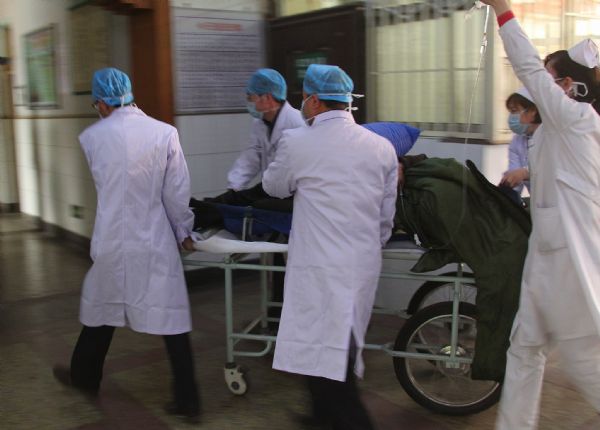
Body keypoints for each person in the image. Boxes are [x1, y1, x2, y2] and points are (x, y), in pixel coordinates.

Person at [52, 68, 200, 423]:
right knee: (171, 318)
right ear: (131, 95)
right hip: (153, 239)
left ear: (102, 103)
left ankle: (85, 378)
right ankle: (188, 401)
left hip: (113, 240)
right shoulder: (165, 133)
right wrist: (184, 231)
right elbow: (176, 193)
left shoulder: (92, 137)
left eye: (96, 104)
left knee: (102, 309)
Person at [480, 2, 600, 429]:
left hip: (569, 260)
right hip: (545, 255)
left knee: (586, 361)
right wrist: (526, 171)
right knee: (524, 349)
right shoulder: (559, 127)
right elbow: (560, 169)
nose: (539, 89)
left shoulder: (576, 118)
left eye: (550, 80)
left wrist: (504, 12)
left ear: (570, 85)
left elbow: (527, 67)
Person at [262, 64, 399, 430]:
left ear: (316, 101)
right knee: (338, 342)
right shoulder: (382, 147)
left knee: (324, 347)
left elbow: (274, 186)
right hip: (362, 261)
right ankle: (321, 417)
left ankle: (350, 421)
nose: (302, 104)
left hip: (319, 265)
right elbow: (387, 214)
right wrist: (371, 243)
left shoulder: (298, 141)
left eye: (304, 97)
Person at [227, 68, 304, 191]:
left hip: (294, 196)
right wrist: (234, 187)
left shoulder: (297, 123)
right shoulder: (259, 124)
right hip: (272, 192)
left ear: (267, 98)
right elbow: (250, 158)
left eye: (251, 97)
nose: (249, 102)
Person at [499, 87, 540, 199]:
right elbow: (515, 177)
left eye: (514, 111)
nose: (512, 117)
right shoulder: (517, 142)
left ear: (532, 110)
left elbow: (551, 169)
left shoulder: (551, 137)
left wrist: (525, 173)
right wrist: (509, 182)